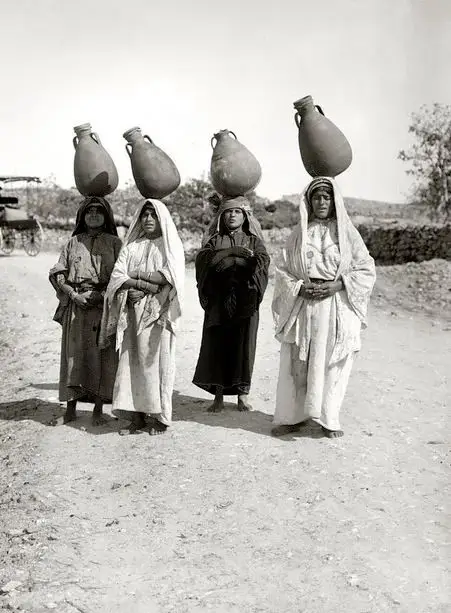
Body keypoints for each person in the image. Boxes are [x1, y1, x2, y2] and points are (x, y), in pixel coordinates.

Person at [271, 177, 376, 438]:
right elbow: (283, 270)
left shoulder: (347, 233)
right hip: (304, 302)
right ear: (309, 201)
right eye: (316, 197)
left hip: (334, 305)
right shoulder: (299, 233)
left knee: (331, 361)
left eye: (326, 197)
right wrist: (298, 288)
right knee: (297, 360)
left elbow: (366, 268)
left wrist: (338, 285)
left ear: (334, 201)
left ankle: (329, 419)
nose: (321, 202)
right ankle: (291, 417)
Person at [100, 199, 184, 435]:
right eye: (145, 215)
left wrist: (140, 279)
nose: (148, 219)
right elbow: (117, 276)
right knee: (131, 362)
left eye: (153, 215)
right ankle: (135, 415)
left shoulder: (170, 247)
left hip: (159, 312)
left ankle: (158, 416)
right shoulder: (131, 247)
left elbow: (169, 276)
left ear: (162, 220)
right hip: (132, 311)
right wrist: (137, 284)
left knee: (156, 363)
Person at [193, 195, 270, 412]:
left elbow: (262, 263)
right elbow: (204, 261)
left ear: (245, 216)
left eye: (237, 212)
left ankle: (242, 395)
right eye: (228, 211)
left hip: (245, 300)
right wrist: (230, 253)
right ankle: (218, 396)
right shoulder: (215, 240)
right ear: (222, 216)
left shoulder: (254, 241)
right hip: (219, 301)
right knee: (218, 344)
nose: (232, 215)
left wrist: (237, 262)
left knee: (244, 345)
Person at [49, 197, 122, 425]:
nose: (93, 215)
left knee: (101, 356)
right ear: (82, 216)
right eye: (89, 211)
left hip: (103, 307)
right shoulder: (73, 242)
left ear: (106, 216)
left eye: (98, 211)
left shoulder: (115, 243)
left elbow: (122, 276)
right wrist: (73, 295)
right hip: (76, 307)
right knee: (74, 356)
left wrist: (102, 295)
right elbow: (59, 272)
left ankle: (98, 410)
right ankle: (70, 409)